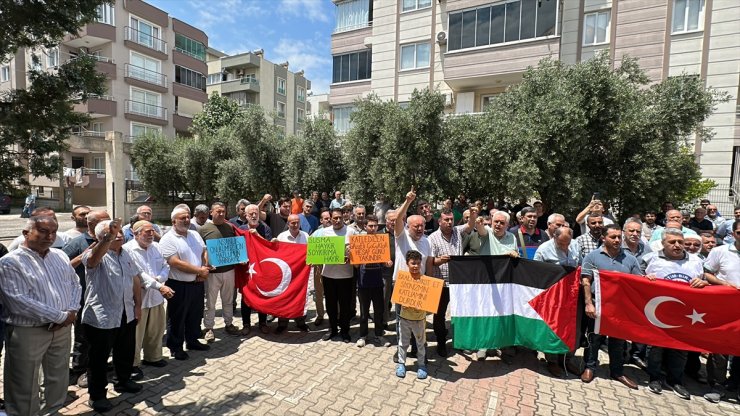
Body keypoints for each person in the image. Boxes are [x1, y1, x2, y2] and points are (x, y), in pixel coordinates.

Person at [0, 216, 81, 415]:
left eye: (53, 232)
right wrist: (61, 316)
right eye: (43, 231)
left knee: (57, 376)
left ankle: (52, 411)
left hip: (61, 330)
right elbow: (17, 301)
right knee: (23, 381)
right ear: (26, 233)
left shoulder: (59, 256)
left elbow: (75, 284)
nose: (50, 236)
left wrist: (72, 311)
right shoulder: (10, 262)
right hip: (29, 331)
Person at [82, 219, 144, 412]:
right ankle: (97, 395)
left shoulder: (127, 253)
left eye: (118, 232)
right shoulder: (93, 255)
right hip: (102, 317)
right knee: (99, 359)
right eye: (111, 233)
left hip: (126, 312)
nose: (118, 235)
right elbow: (92, 261)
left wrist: (138, 305)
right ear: (102, 237)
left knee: (125, 351)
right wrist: (109, 236)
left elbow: (134, 279)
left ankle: (123, 381)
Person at [643, 228, 707, 400]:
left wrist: (704, 282)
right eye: (672, 242)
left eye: (680, 242)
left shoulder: (696, 261)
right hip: (658, 314)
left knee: (680, 350)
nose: (677, 245)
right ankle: (654, 378)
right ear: (663, 243)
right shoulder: (650, 259)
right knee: (656, 347)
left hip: (686, 315)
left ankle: (675, 381)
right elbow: (636, 279)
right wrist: (645, 279)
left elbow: (708, 280)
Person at [580, 224, 641, 389]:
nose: (617, 240)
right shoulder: (592, 257)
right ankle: (589, 367)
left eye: (619, 237)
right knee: (594, 338)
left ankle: (617, 371)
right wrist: (588, 304)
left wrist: (649, 279)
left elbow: (638, 282)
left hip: (620, 308)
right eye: (613, 237)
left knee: (618, 341)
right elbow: (586, 281)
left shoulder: (630, 258)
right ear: (603, 238)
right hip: (598, 305)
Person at [62, 209, 110, 387]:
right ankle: (80, 370)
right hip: (83, 298)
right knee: (83, 337)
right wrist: (85, 256)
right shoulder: (78, 242)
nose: (108, 224)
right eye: (103, 221)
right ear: (91, 225)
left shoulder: (114, 240)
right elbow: (62, 268)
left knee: (103, 336)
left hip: (106, 296)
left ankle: (99, 365)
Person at [123, 220, 174, 381]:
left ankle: (153, 357)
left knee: (156, 330)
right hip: (139, 300)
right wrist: (158, 286)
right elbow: (138, 274)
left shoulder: (157, 247)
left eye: (152, 231)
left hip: (156, 298)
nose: (151, 234)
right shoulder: (127, 250)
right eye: (147, 232)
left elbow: (166, 266)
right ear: (136, 233)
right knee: (136, 335)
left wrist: (159, 280)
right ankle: (133, 364)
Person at [159, 207, 211, 361]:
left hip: (197, 283)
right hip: (178, 285)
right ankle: (175, 347)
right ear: (173, 221)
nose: (187, 220)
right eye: (182, 218)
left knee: (195, 314)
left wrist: (204, 269)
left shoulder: (194, 234)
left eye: (188, 217)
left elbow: (204, 251)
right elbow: (175, 262)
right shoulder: (168, 239)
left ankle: (192, 341)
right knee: (177, 317)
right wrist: (200, 271)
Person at [533, 226, 582, 377]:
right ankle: (552, 361)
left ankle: (567, 359)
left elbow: (579, 265)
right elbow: (536, 271)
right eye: (561, 244)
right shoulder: (544, 249)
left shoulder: (575, 245)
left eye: (567, 243)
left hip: (571, 296)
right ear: (554, 237)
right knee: (553, 327)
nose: (565, 247)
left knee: (571, 327)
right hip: (552, 295)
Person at [703, 219, 740, 403]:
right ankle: (717, 385)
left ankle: (735, 383)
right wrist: (724, 284)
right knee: (720, 349)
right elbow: (707, 273)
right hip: (725, 309)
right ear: (733, 233)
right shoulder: (720, 251)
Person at [393, 187, 432, 356]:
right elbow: (397, 219)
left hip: (420, 285)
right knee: (401, 320)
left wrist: (429, 285)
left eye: (422, 226)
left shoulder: (427, 241)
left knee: (419, 320)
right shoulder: (401, 236)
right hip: (402, 284)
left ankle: (417, 349)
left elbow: (428, 264)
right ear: (408, 226)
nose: (419, 228)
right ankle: (401, 351)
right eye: (416, 226)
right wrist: (408, 201)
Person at [428, 208, 472, 358]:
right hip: (441, 284)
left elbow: (470, 225)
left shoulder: (458, 232)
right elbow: (430, 261)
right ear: (439, 221)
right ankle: (441, 342)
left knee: (460, 313)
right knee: (439, 315)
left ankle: (461, 342)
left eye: (451, 219)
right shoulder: (432, 238)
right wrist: (440, 260)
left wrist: (472, 215)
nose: (449, 222)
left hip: (458, 283)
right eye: (446, 220)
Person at [198, 202, 242, 342]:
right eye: (218, 211)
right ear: (211, 212)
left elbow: (235, 245)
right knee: (210, 302)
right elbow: (199, 250)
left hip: (229, 270)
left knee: (228, 300)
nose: (221, 214)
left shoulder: (229, 227)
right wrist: (205, 264)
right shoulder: (203, 229)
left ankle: (228, 324)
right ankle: (209, 328)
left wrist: (240, 257)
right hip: (212, 273)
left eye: (223, 211)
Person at [354, 215, 392, 348]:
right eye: (370, 226)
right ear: (365, 227)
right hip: (363, 282)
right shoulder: (359, 241)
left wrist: (388, 263)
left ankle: (379, 335)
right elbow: (356, 266)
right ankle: (363, 336)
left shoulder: (382, 241)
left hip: (378, 282)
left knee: (379, 311)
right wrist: (356, 261)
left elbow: (385, 261)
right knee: (364, 312)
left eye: (375, 226)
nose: (373, 228)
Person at [320, 208, 357, 342]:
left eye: (340, 217)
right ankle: (333, 329)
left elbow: (357, 254)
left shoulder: (351, 231)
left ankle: (345, 331)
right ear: (330, 218)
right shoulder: (325, 232)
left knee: (345, 305)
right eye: (335, 218)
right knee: (330, 305)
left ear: (344, 217)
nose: (337, 220)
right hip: (328, 275)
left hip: (346, 275)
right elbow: (319, 252)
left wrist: (351, 256)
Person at [238, 204, 272, 334]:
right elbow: (237, 247)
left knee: (261, 294)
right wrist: (239, 259)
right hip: (245, 268)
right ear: (245, 216)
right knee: (246, 295)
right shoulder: (240, 229)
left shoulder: (265, 228)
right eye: (250, 214)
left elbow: (268, 246)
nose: (253, 216)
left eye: (256, 213)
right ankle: (246, 324)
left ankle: (262, 322)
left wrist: (257, 235)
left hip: (261, 268)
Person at [395, 250, 429, 380]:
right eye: (413, 263)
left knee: (421, 343)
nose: (415, 266)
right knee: (403, 342)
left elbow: (428, 300)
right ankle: (401, 364)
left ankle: (421, 365)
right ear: (407, 264)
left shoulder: (425, 280)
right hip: (404, 318)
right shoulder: (402, 278)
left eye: (418, 263)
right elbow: (398, 298)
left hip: (419, 319)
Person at [275, 214, 310, 333]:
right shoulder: (281, 237)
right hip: (286, 274)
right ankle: (282, 323)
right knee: (284, 297)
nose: (295, 225)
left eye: (297, 222)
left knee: (300, 297)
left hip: (301, 274)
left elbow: (311, 253)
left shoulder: (306, 237)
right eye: (292, 223)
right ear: (288, 224)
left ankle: (300, 322)